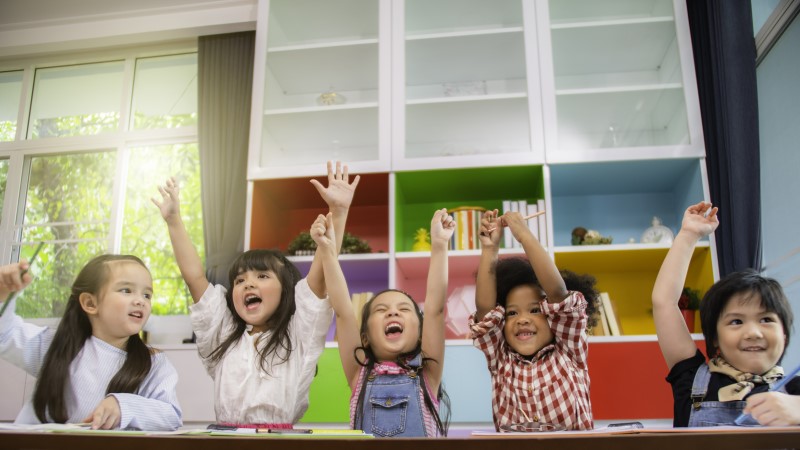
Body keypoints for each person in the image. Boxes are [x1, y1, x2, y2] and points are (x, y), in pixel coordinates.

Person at [152, 161, 359, 427]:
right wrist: (174, 221)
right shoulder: (223, 335)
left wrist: (338, 212)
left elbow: (320, 277)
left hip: (278, 441)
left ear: (286, 291)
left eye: (262, 276)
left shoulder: (299, 335)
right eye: (240, 280)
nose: (248, 284)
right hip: (224, 439)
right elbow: (195, 278)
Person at [653, 201, 799, 427]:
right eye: (736, 321)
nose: (753, 332)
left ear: (785, 335)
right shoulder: (691, 378)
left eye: (766, 320)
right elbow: (664, 302)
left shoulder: (794, 391)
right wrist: (689, 235)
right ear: (714, 337)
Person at [0, 254, 182, 431]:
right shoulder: (55, 345)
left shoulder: (154, 363)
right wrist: (2, 292)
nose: (140, 301)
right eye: (126, 290)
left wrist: (124, 406)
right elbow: (5, 333)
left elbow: (171, 416)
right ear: (90, 303)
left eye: (147, 295)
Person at [316, 208, 454, 437]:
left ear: (421, 334)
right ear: (365, 338)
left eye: (403, 309)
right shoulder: (358, 372)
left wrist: (439, 245)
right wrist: (327, 250)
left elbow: (435, 311)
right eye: (382, 310)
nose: (393, 313)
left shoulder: (428, 373)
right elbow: (344, 313)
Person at [469, 209, 597, 431]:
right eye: (512, 313)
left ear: (553, 315)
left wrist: (524, 235)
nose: (522, 320)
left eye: (535, 310)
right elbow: (485, 312)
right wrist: (490, 249)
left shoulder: (569, 350)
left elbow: (558, 293)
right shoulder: (500, 358)